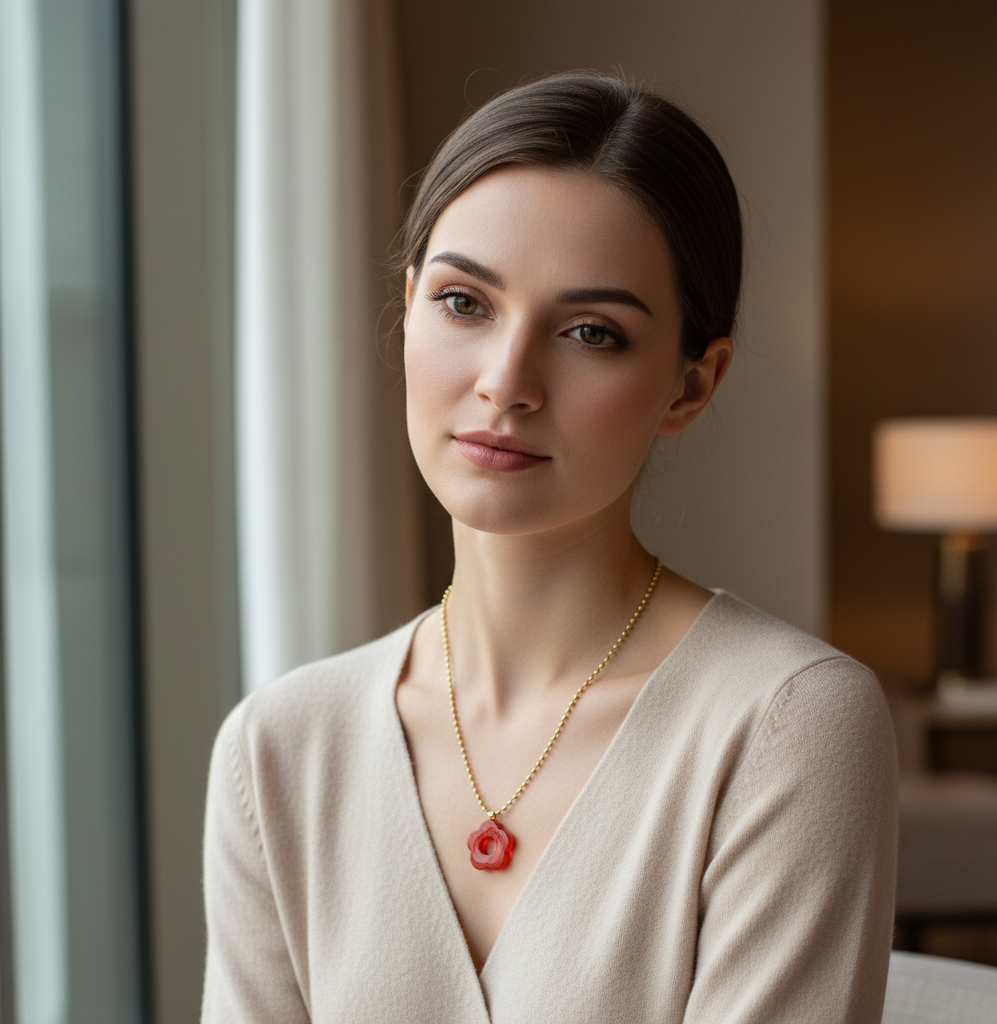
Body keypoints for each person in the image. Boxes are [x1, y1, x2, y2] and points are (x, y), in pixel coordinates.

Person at [201, 73, 897, 1023]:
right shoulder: (279, 749)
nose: (505, 381)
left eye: (589, 332)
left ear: (693, 385)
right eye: (463, 303)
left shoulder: (787, 727)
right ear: (409, 311)